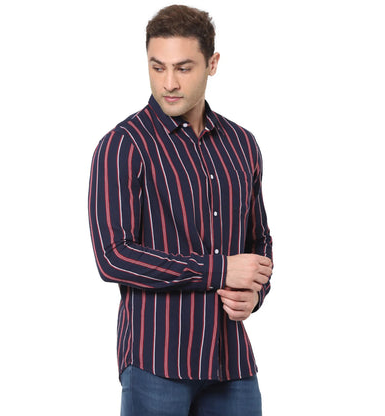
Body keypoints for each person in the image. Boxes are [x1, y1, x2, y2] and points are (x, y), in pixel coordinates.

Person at [88, 5, 273, 415]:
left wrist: (255, 294)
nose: (168, 83)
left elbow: (259, 239)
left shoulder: (242, 144)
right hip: (157, 361)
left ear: (212, 64)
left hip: (231, 362)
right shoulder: (124, 145)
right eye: (157, 67)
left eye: (183, 68)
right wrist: (218, 270)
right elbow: (113, 256)